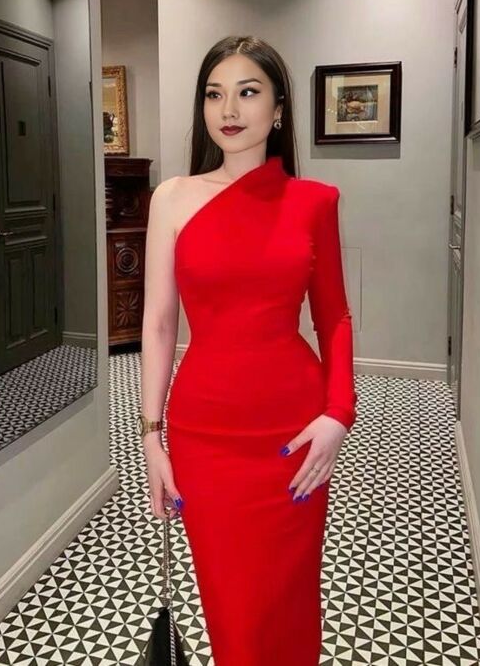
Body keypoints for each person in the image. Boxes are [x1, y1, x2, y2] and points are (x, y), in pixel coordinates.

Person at [139, 35, 357, 665]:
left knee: (287, 603)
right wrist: (150, 436)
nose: (228, 109)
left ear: (279, 109)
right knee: (233, 614)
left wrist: (338, 414)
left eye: (247, 91)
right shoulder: (171, 198)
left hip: (293, 434)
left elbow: (334, 317)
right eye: (214, 94)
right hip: (206, 435)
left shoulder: (314, 202)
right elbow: (158, 323)